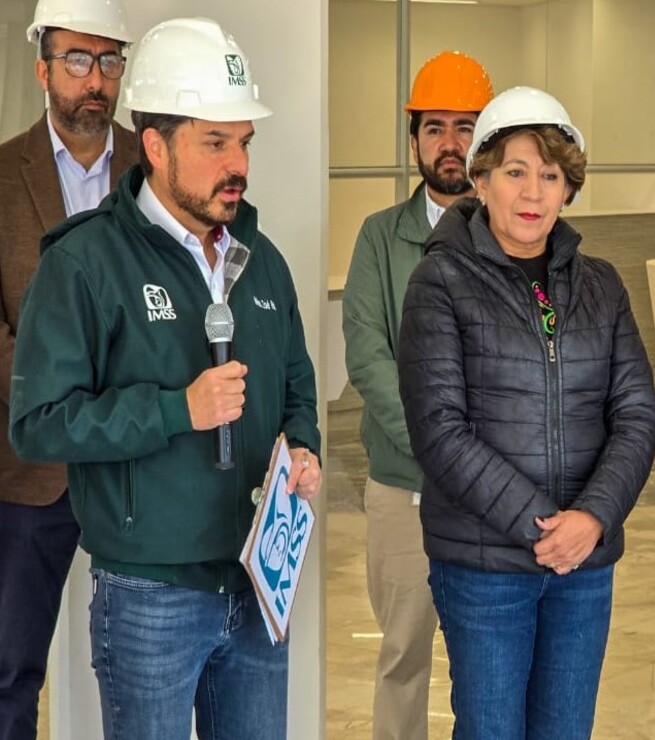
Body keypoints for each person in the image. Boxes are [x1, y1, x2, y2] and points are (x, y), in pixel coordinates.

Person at [8, 17, 322, 740]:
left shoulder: (260, 258)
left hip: (254, 584)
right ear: (155, 146)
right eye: (214, 142)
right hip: (149, 593)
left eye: (243, 140)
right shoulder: (83, 263)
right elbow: (40, 423)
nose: (236, 162)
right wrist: (177, 410)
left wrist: (299, 449)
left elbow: (297, 387)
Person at [396, 85, 655, 739]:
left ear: (568, 189)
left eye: (549, 176)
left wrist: (592, 518)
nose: (532, 192)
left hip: (582, 567)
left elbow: (636, 412)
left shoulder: (600, 284)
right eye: (515, 172)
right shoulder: (440, 282)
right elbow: (439, 430)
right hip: (485, 568)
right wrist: (544, 526)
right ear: (480, 179)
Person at [341, 50, 492, 740]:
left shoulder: (514, 236)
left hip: (496, 497)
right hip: (406, 487)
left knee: (488, 660)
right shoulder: (380, 237)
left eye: (466, 126)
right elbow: (368, 358)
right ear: (414, 141)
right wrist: (441, 453)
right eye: (435, 127)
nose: (450, 143)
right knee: (404, 652)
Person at [0, 0, 136, 736]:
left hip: (143, 466)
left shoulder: (158, 168)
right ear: (43, 69)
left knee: (146, 661)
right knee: (10, 666)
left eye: (110, 62)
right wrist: (72, 409)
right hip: (30, 470)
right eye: (79, 61)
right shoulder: (0, 176)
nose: (96, 81)